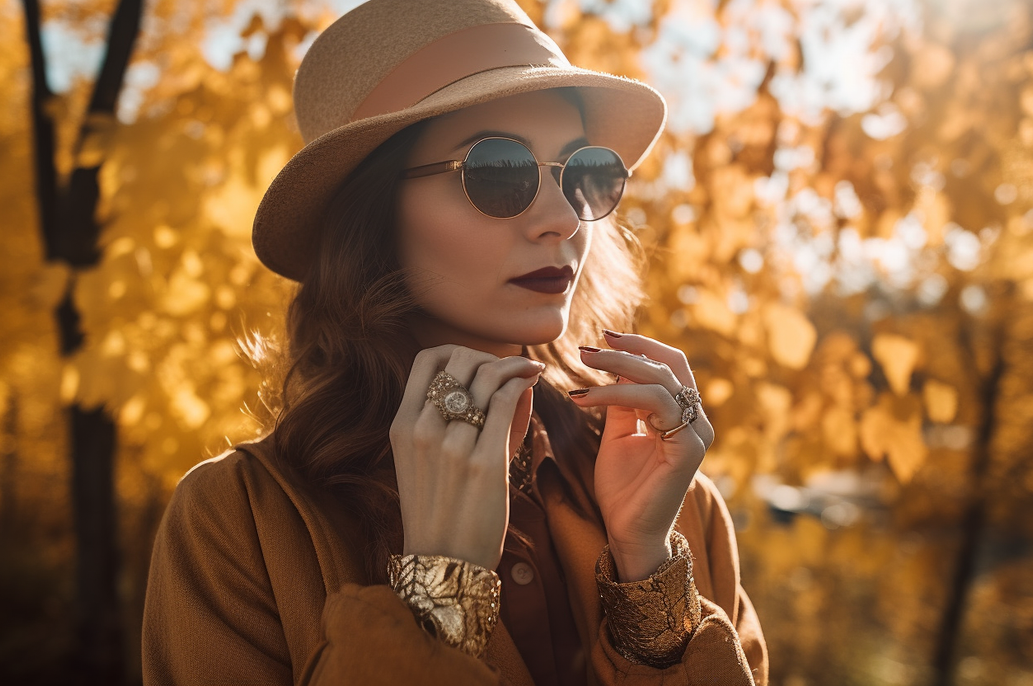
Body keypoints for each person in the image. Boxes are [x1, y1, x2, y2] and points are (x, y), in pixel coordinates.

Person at [141, 0, 768, 684]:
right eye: (498, 171)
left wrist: (647, 571)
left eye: (582, 172)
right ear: (371, 216)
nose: (563, 217)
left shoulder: (675, 498)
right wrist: (440, 595)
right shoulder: (238, 526)